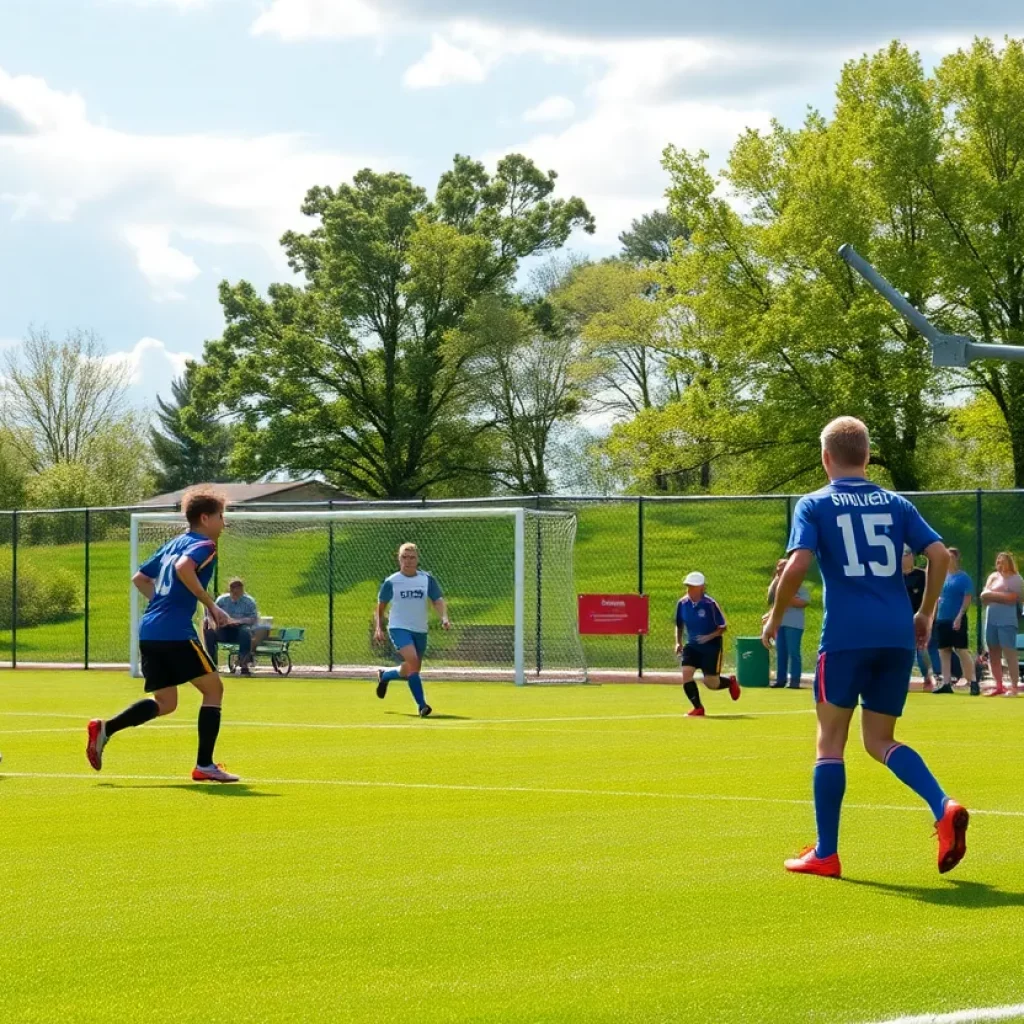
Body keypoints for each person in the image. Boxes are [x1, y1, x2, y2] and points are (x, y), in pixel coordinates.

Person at [762, 416, 967, 878]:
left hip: (845, 637)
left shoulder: (814, 504)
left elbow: (797, 566)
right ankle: (942, 804)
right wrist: (926, 613)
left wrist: (774, 618)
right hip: (895, 636)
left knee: (830, 742)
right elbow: (936, 555)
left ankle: (827, 853)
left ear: (825, 457)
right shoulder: (897, 504)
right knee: (881, 740)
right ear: (868, 456)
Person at [85, 486, 239, 783]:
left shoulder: (173, 543)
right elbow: (184, 568)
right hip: (175, 632)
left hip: (150, 630)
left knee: (166, 703)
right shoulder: (205, 545)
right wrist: (211, 606)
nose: (224, 522)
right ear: (205, 518)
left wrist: (160, 602)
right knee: (214, 690)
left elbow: (140, 578)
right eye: (221, 516)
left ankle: (105, 729)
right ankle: (204, 765)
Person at [374, 543, 450, 718]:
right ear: (398, 558)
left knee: (411, 668)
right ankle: (422, 706)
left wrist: (444, 618)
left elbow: (437, 600)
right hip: (398, 627)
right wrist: (379, 627)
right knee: (413, 661)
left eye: (412, 557)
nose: (408, 561)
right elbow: (381, 606)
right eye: (404, 557)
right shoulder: (391, 581)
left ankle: (385, 676)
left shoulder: (426, 579)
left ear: (418, 559)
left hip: (420, 629)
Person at [675, 570, 741, 717]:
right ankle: (698, 708)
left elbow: (723, 627)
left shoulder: (710, 604)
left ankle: (730, 682)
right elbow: (679, 625)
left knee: (711, 683)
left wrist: (708, 637)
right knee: (686, 674)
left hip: (711, 647)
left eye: (693, 586)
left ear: (702, 588)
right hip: (691, 646)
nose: (689, 589)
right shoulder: (682, 603)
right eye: (688, 586)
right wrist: (678, 642)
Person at [934, 547, 977, 696]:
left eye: (951, 557)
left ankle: (973, 681)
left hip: (956, 618)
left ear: (956, 558)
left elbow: (967, 599)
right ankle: (946, 683)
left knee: (961, 650)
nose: (948, 559)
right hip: (942, 618)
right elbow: (936, 598)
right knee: (943, 650)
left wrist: (959, 617)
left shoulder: (963, 578)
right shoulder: (942, 576)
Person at [980, 551, 1023, 697]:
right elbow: (984, 596)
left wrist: (993, 596)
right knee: (993, 653)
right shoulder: (993, 577)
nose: (999, 565)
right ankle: (999, 686)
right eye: (998, 562)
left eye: (1002, 561)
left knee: (1009, 653)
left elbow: (1014, 598)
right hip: (991, 620)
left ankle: (1014, 688)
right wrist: (1003, 596)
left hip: (1007, 621)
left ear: (1009, 563)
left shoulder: (1016, 579)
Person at [210, 577, 269, 676]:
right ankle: (211, 664)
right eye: (233, 588)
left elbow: (253, 618)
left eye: (238, 588)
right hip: (224, 629)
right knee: (209, 633)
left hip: (240, 629)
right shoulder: (222, 600)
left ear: (242, 589)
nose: (236, 591)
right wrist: (219, 622)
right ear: (230, 589)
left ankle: (244, 664)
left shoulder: (249, 601)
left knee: (245, 632)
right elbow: (212, 613)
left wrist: (238, 621)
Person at [768, 558, 809, 688]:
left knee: (793, 652)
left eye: (783, 568)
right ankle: (781, 680)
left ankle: (795, 681)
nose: (780, 571)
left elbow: (804, 602)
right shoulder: (775, 586)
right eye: (778, 569)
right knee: (781, 652)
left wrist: (787, 597)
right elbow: (771, 601)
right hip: (780, 623)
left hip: (794, 624)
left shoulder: (798, 584)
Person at [902, 547, 937, 691]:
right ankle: (902, 678)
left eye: (908, 554)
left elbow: (931, 597)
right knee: (903, 650)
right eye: (903, 555)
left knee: (922, 649)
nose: (906, 557)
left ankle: (928, 677)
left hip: (918, 619)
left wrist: (928, 617)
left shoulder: (921, 576)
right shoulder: (895, 577)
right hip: (900, 619)